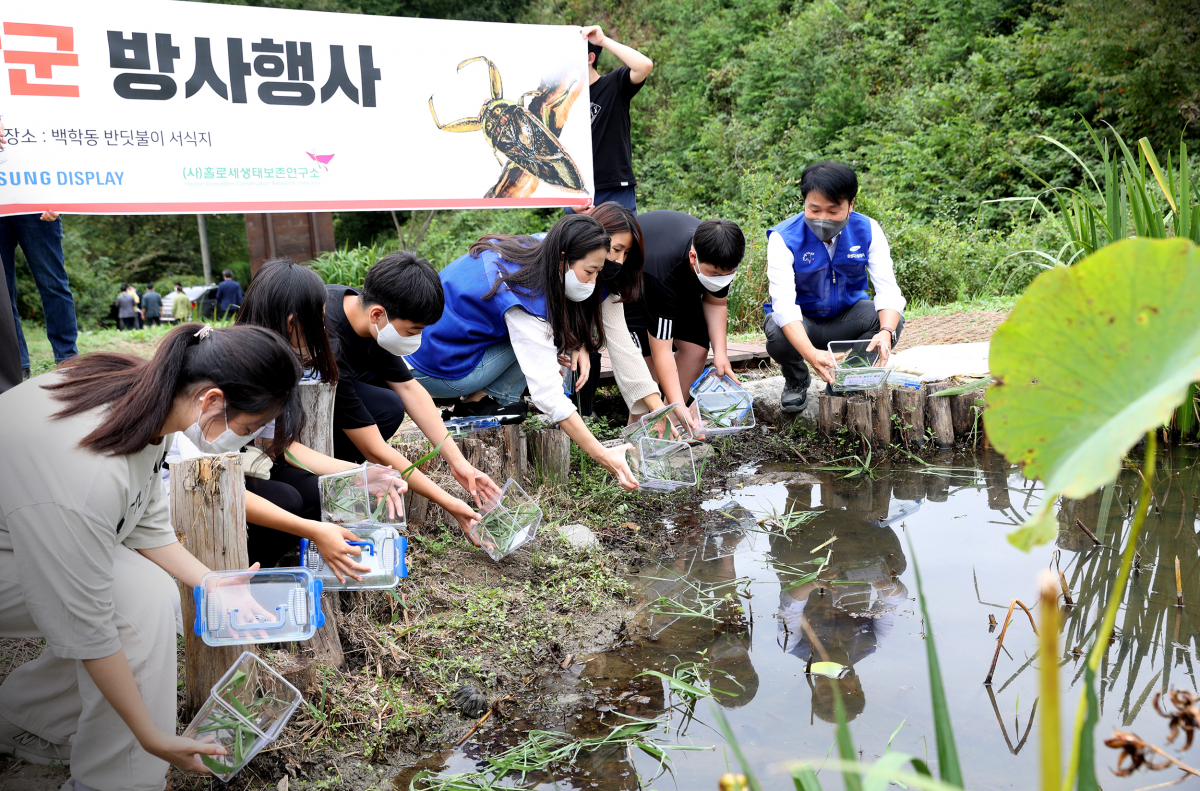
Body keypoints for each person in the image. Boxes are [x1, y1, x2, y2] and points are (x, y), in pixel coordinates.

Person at [0, 322, 304, 790]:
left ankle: (29, 720)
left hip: (22, 528)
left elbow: (144, 520)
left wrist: (215, 583)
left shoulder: (146, 395)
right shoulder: (85, 478)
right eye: (245, 429)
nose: (243, 442)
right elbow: (88, 628)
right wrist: (151, 736)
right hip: (25, 533)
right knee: (134, 606)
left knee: (147, 592)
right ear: (212, 400)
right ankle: (116, 779)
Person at [234, 259, 484, 562]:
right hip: (232, 467)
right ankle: (247, 561)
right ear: (291, 324)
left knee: (385, 411)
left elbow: (280, 445)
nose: (324, 331)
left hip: (269, 451)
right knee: (291, 499)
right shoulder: (297, 356)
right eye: (319, 323)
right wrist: (364, 476)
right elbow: (371, 449)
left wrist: (457, 463)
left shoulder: (347, 326)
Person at [407, 214, 638, 489]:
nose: (592, 282)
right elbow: (549, 395)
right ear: (563, 259)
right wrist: (603, 454)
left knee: (545, 341)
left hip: (426, 352)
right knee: (544, 342)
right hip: (435, 373)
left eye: (598, 272)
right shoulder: (524, 300)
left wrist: (573, 343)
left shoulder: (536, 248)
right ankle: (490, 400)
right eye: (589, 272)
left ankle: (481, 400)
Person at [322, 252, 501, 523]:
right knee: (386, 409)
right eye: (412, 331)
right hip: (291, 417)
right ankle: (335, 474)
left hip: (339, 386)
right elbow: (374, 449)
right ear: (377, 314)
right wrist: (448, 501)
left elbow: (409, 388)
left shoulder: (367, 312)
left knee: (389, 402)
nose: (417, 338)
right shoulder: (330, 343)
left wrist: (459, 463)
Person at [763, 160, 906, 412]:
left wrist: (886, 331)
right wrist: (811, 354)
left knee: (891, 321)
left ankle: (847, 379)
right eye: (814, 209)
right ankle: (796, 380)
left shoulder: (868, 230)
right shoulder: (783, 238)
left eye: (833, 211)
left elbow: (888, 290)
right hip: (803, 322)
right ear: (804, 202)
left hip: (847, 319)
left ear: (851, 204)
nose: (823, 219)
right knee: (776, 327)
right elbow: (783, 305)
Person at [623, 211, 746, 428]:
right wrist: (679, 403)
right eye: (715, 274)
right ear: (693, 257)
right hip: (637, 283)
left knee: (696, 349)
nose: (722, 280)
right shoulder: (662, 274)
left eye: (728, 274)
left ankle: (671, 422)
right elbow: (662, 350)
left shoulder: (721, 256)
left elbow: (716, 303)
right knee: (649, 371)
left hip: (684, 281)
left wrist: (721, 355)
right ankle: (637, 428)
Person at [0, 118, 78, 379]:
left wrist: (60, 198)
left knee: (53, 284)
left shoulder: (34, 102)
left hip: (37, 200)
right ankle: (17, 363)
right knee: (2, 293)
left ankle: (67, 361)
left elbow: (60, 137)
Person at [572, 26, 653, 213]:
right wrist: (569, 200)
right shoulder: (561, 100)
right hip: (578, 195)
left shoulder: (614, 84)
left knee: (621, 234)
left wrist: (603, 41)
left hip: (615, 189)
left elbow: (644, 66)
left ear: (590, 58)